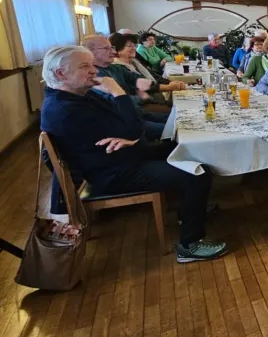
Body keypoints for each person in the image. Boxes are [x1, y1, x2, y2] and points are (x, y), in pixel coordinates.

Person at [40, 46, 227, 263]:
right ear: (60, 74)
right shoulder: (64, 109)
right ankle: (190, 245)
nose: (93, 71)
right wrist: (118, 93)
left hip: (121, 157)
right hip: (111, 172)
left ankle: (189, 213)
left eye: (92, 65)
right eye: (84, 66)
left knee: (191, 149)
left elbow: (132, 125)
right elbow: (133, 128)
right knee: (197, 174)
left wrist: (129, 132)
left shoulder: (78, 96)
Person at [110, 33, 185, 98]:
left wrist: (170, 82)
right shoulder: (118, 67)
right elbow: (141, 85)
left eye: (135, 45)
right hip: (142, 102)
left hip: (153, 96)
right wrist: (169, 87)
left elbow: (152, 74)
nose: (134, 48)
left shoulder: (135, 62)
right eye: (129, 46)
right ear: (118, 50)